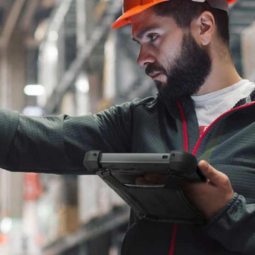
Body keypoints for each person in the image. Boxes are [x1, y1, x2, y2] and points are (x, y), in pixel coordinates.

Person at [1, 0, 255, 254]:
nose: (142, 58)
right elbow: (32, 140)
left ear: (204, 27)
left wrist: (226, 211)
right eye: (139, 43)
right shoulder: (140, 120)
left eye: (153, 37)